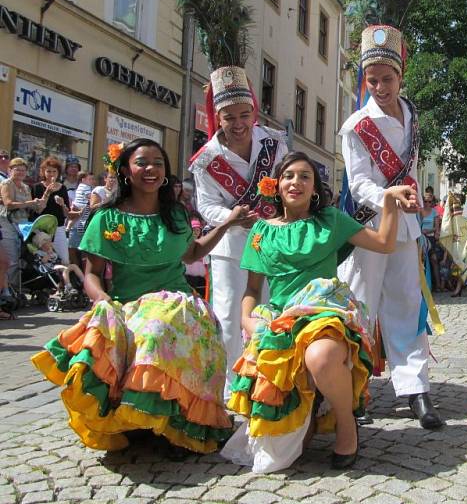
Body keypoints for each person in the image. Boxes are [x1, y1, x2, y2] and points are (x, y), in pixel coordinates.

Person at [31, 139, 253, 458]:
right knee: (140, 330)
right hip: (129, 303)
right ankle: (136, 419)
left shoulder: (175, 214)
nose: (151, 169)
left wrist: (228, 223)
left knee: (160, 329)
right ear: (125, 170)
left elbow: (194, 252)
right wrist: (102, 300)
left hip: (179, 303)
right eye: (142, 163)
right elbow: (92, 273)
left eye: (158, 163)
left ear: (165, 173)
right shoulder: (107, 217)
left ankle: (176, 424)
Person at [221, 152, 416, 472]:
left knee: (321, 356)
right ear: (276, 185)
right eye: (288, 176)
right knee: (275, 459)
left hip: (324, 308)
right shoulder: (260, 232)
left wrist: (389, 201)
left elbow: (384, 243)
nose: (295, 182)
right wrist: (247, 319)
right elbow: (252, 291)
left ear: (315, 189)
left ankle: (346, 425)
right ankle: (310, 411)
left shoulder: (331, 221)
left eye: (304, 176)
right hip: (280, 319)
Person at [338, 24, 443, 430]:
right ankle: (353, 388)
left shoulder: (413, 113)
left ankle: (415, 389)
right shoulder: (356, 126)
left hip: (406, 226)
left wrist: (411, 196)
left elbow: (410, 167)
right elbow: (359, 182)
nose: (380, 87)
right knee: (360, 304)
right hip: (369, 226)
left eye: (388, 78)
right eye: (373, 80)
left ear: (401, 76)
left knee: (407, 304)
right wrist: (391, 195)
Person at [190, 65, 288, 399]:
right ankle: (231, 387)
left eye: (244, 115)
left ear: (254, 112)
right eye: (229, 117)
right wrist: (231, 217)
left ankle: (269, 375)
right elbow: (205, 204)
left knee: (270, 309)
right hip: (229, 245)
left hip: (271, 242)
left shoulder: (274, 145)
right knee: (230, 316)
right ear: (217, 117)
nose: (238, 124)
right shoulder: (205, 161)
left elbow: (287, 185)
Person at [0, 158, 45, 290]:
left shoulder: (25, 187)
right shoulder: (7, 184)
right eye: (17, 169)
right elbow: (8, 204)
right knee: (12, 259)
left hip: (23, 224)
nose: (20, 172)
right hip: (7, 222)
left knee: (22, 258)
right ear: (10, 170)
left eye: (23, 170)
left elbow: (31, 208)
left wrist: (39, 204)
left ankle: (17, 289)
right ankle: (7, 291)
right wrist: (29, 203)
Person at [32, 157, 71, 264]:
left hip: (58, 227)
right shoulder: (37, 187)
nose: (51, 174)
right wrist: (47, 192)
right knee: (47, 261)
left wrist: (63, 204)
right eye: (48, 171)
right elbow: (37, 210)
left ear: (58, 173)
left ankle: (64, 280)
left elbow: (67, 214)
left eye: (54, 171)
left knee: (64, 259)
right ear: (43, 172)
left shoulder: (62, 188)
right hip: (42, 230)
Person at [419, 191, 442, 291]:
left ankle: (438, 285)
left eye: (430, 201)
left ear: (432, 202)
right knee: (422, 261)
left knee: (434, 260)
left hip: (431, 238)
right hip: (421, 238)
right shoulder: (419, 211)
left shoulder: (434, 212)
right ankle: (423, 285)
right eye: (425, 201)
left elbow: (436, 228)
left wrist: (427, 231)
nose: (427, 203)